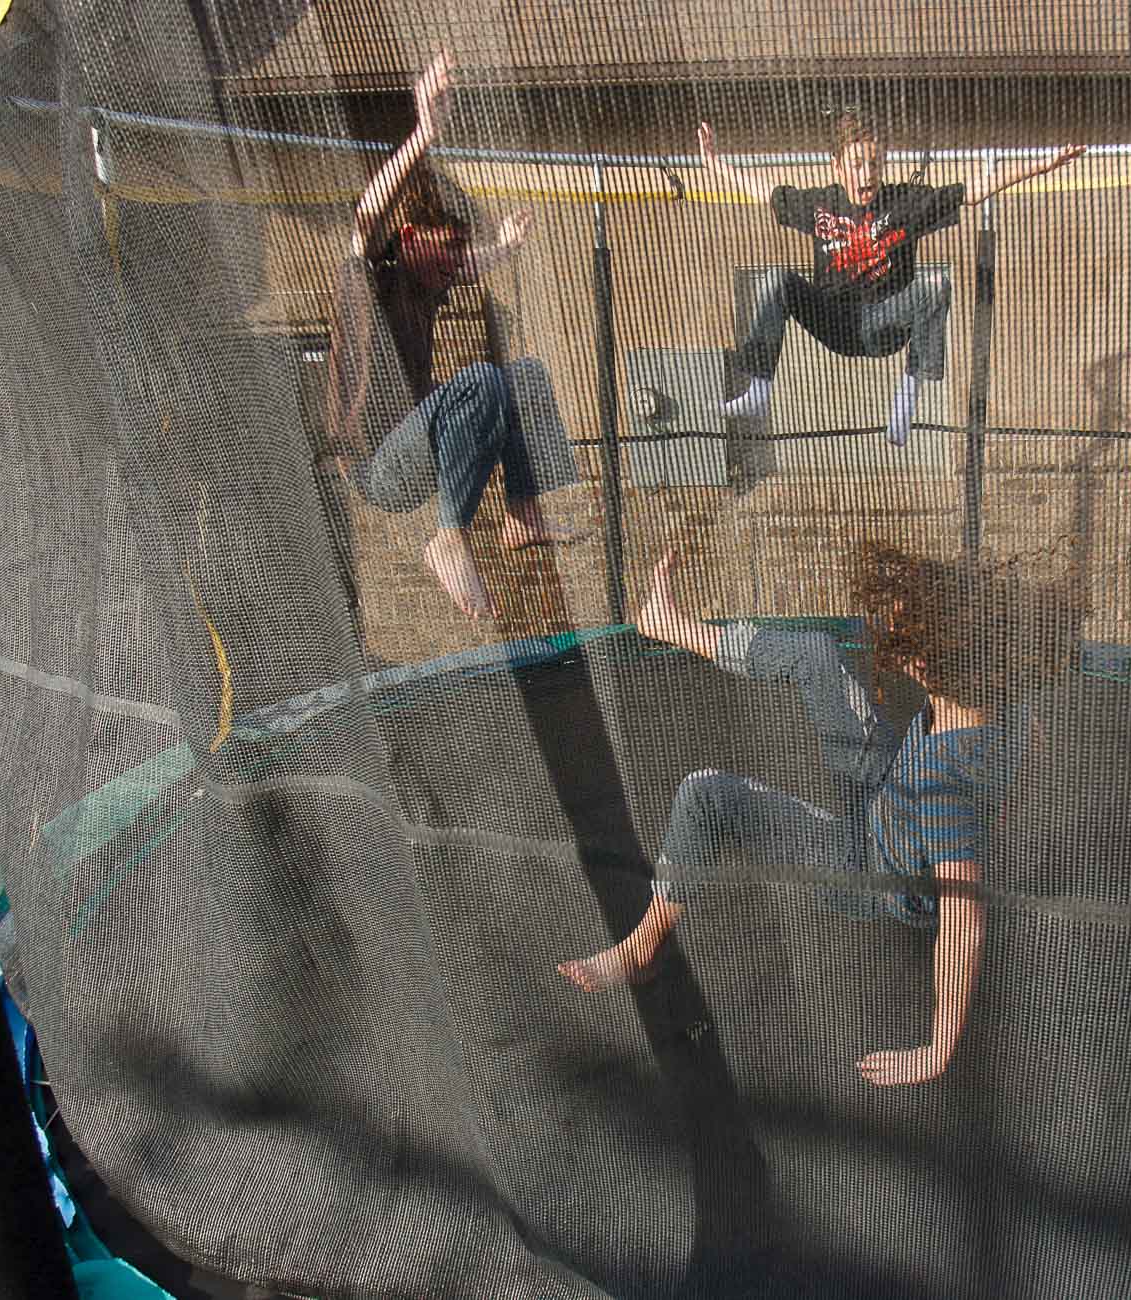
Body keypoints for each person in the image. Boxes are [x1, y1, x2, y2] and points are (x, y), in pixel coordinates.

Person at [559, 542, 1056, 1087]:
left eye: (908, 646)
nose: (898, 653)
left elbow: (964, 925)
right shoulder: (999, 696)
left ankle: (639, 949)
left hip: (870, 869)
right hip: (892, 788)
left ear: (929, 663)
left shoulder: (944, 791)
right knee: (815, 655)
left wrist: (937, 1049)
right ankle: (666, 622)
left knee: (706, 794)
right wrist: (1002, 805)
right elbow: (1030, 737)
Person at [326, 52, 579, 622]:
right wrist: (425, 134)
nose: (457, 270)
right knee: (483, 381)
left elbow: (467, 265)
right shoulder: (373, 275)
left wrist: (507, 247)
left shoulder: (429, 277)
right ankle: (448, 538)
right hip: (375, 466)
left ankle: (523, 511)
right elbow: (369, 215)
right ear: (412, 237)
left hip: (416, 451)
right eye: (448, 252)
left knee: (526, 377)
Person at [699, 112, 1086, 446]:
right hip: (835, 322)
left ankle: (908, 394)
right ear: (836, 166)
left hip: (887, 323)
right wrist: (716, 165)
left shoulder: (904, 201)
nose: (867, 175)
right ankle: (760, 388)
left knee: (935, 288)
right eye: (856, 165)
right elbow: (763, 191)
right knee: (777, 279)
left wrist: (1042, 165)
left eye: (875, 164)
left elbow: (973, 192)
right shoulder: (821, 204)